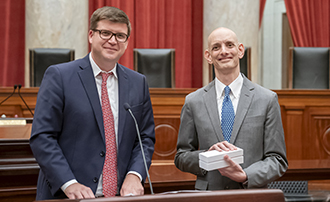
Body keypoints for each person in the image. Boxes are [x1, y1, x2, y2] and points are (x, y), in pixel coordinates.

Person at [30, 6, 155, 200]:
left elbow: (145, 139)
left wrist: (135, 174)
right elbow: (42, 137)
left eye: (120, 36)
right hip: (68, 196)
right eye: (105, 33)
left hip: (119, 195)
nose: (113, 41)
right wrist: (69, 184)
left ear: (127, 41)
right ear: (91, 35)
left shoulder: (138, 83)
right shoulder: (59, 76)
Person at [174, 27, 288, 190]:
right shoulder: (193, 101)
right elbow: (181, 157)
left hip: (251, 196)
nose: (223, 51)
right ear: (208, 56)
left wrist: (246, 176)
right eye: (216, 47)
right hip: (209, 196)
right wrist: (208, 156)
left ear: (240, 50)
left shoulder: (267, 99)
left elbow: (277, 159)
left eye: (229, 45)